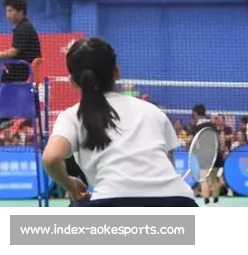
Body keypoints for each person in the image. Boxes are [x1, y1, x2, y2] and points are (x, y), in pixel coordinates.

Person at [41, 37, 197, 207]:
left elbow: (51, 158)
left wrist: (70, 185)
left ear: (73, 82)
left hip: (112, 202)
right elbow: (169, 165)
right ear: (116, 71)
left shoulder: (73, 116)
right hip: (179, 203)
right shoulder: (154, 112)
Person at [0, 0, 42, 130]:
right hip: (20, 70)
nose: (8, 15)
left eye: (10, 11)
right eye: (6, 11)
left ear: (21, 11)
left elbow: (14, 52)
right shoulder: (23, 26)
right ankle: (5, 118)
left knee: (4, 84)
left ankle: (5, 118)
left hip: (20, 71)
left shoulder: (23, 28)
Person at [190, 104, 223, 206]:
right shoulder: (212, 125)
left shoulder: (196, 127)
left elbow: (191, 141)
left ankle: (207, 203)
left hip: (204, 156)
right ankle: (216, 203)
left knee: (203, 179)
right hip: (216, 155)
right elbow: (218, 140)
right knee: (214, 179)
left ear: (195, 113)